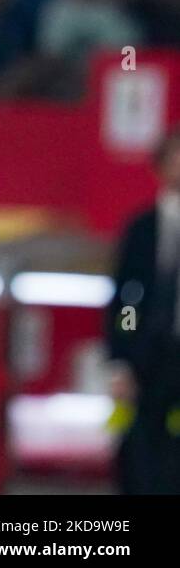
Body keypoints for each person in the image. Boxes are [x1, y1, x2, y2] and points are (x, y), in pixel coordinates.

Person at [105, 125, 180, 493]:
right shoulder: (141, 229)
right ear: (160, 166)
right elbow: (125, 299)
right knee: (139, 447)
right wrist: (122, 356)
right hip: (147, 354)